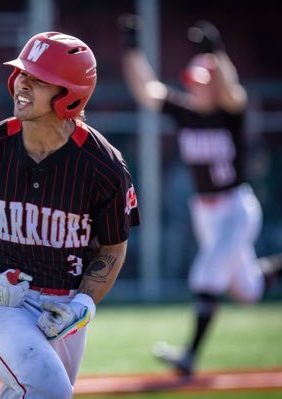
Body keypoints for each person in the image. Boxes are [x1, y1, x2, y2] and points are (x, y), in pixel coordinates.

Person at [0, 31, 139, 398]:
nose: (23, 83)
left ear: (70, 95)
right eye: (22, 73)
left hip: (60, 310)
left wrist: (83, 304)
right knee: (50, 389)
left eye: (39, 79)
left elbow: (113, 246)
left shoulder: (104, 167)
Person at [118, 15, 282, 376]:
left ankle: (189, 356)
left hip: (236, 207)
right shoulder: (186, 113)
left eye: (203, 81)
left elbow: (234, 90)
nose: (195, 87)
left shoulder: (230, 114)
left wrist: (216, 53)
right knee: (248, 290)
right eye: (193, 81)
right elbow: (147, 89)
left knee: (205, 275)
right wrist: (132, 48)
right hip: (206, 212)